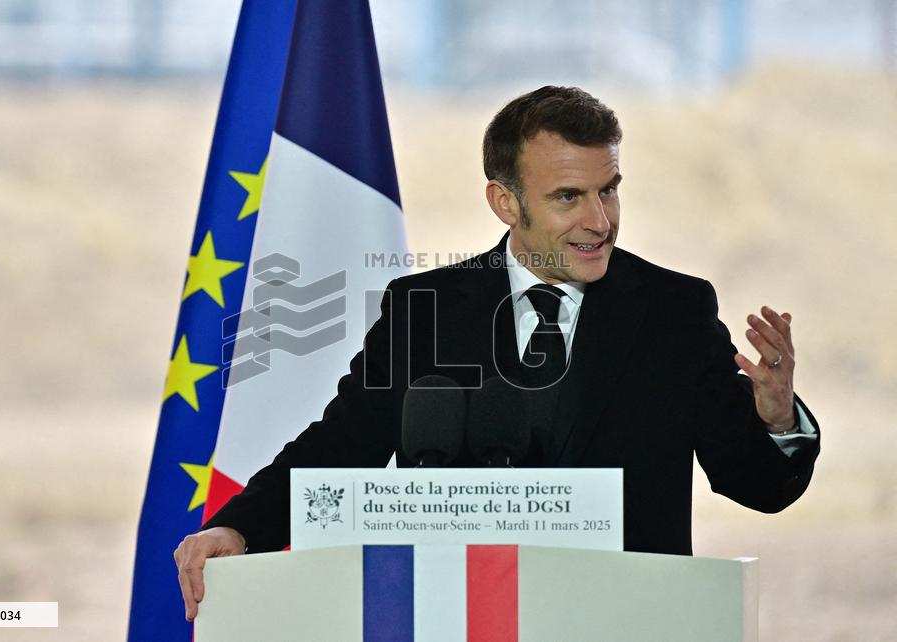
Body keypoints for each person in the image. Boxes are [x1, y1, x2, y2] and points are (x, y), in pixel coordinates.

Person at [174, 86, 820, 620]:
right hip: (459, 624)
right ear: (505, 202)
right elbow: (342, 445)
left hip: (624, 625)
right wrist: (239, 528)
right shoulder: (422, 309)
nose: (600, 220)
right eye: (569, 197)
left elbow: (756, 484)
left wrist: (776, 419)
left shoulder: (674, 312)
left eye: (609, 189)